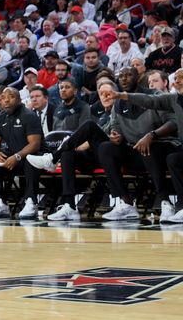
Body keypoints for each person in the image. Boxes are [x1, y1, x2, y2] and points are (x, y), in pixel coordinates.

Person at [94, 69, 179, 221]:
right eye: (121, 76)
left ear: (139, 78)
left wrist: (151, 135)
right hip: (136, 151)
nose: (124, 79)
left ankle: (165, 202)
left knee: (149, 147)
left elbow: (173, 123)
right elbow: (116, 129)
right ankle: (126, 203)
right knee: (105, 148)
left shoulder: (154, 95)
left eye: (128, 75)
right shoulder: (118, 103)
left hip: (162, 147)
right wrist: (115, 136)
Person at [28, 79, 117, 221]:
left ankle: (52, 158)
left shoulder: (120, 111)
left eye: (108, 93)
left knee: (88, 126)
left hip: (112, 156)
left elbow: (104, 136)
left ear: (116, 94)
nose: (104, 96)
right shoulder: (100, 114)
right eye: (101, 93)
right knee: (67, 153)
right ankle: (69, 205)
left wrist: (84, 143)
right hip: (93, 157)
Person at [0, 87, 42, 219]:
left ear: (19, 100)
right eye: (3, 98)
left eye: (11, 97)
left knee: (31, 159)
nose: (6, 100)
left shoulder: (29, 116)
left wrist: (17, 156)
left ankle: (31, 202)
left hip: (35, 156)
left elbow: (35, 144)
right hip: (13, 158)